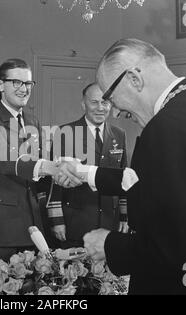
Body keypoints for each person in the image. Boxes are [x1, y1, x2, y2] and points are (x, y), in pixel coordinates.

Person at [58, 39, 186, 294]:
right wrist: (85, 172)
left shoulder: (169, 128)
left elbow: (172, 247)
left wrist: (109, 244)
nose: (114, 112)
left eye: (111, 97)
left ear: (134, 79)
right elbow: (164, 183)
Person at [0, 58, 69, 272]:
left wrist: (63, 168)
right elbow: (3, 159)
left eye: (28, 84)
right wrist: (49, 167)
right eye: (17, 82)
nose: (24, 89)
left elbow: (40, 162)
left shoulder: (32, 121)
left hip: (32, 224)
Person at [46, 82, 128, 248]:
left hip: (108, 221)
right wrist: (57, 220)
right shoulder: (65, 133)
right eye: (94, 102)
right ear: (84, 104)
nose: (100, 108)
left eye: (105, 102)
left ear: (111, 104)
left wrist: (124, 216)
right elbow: (54, 181)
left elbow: (123, 179)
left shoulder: (119, 135)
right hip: (76, 221)